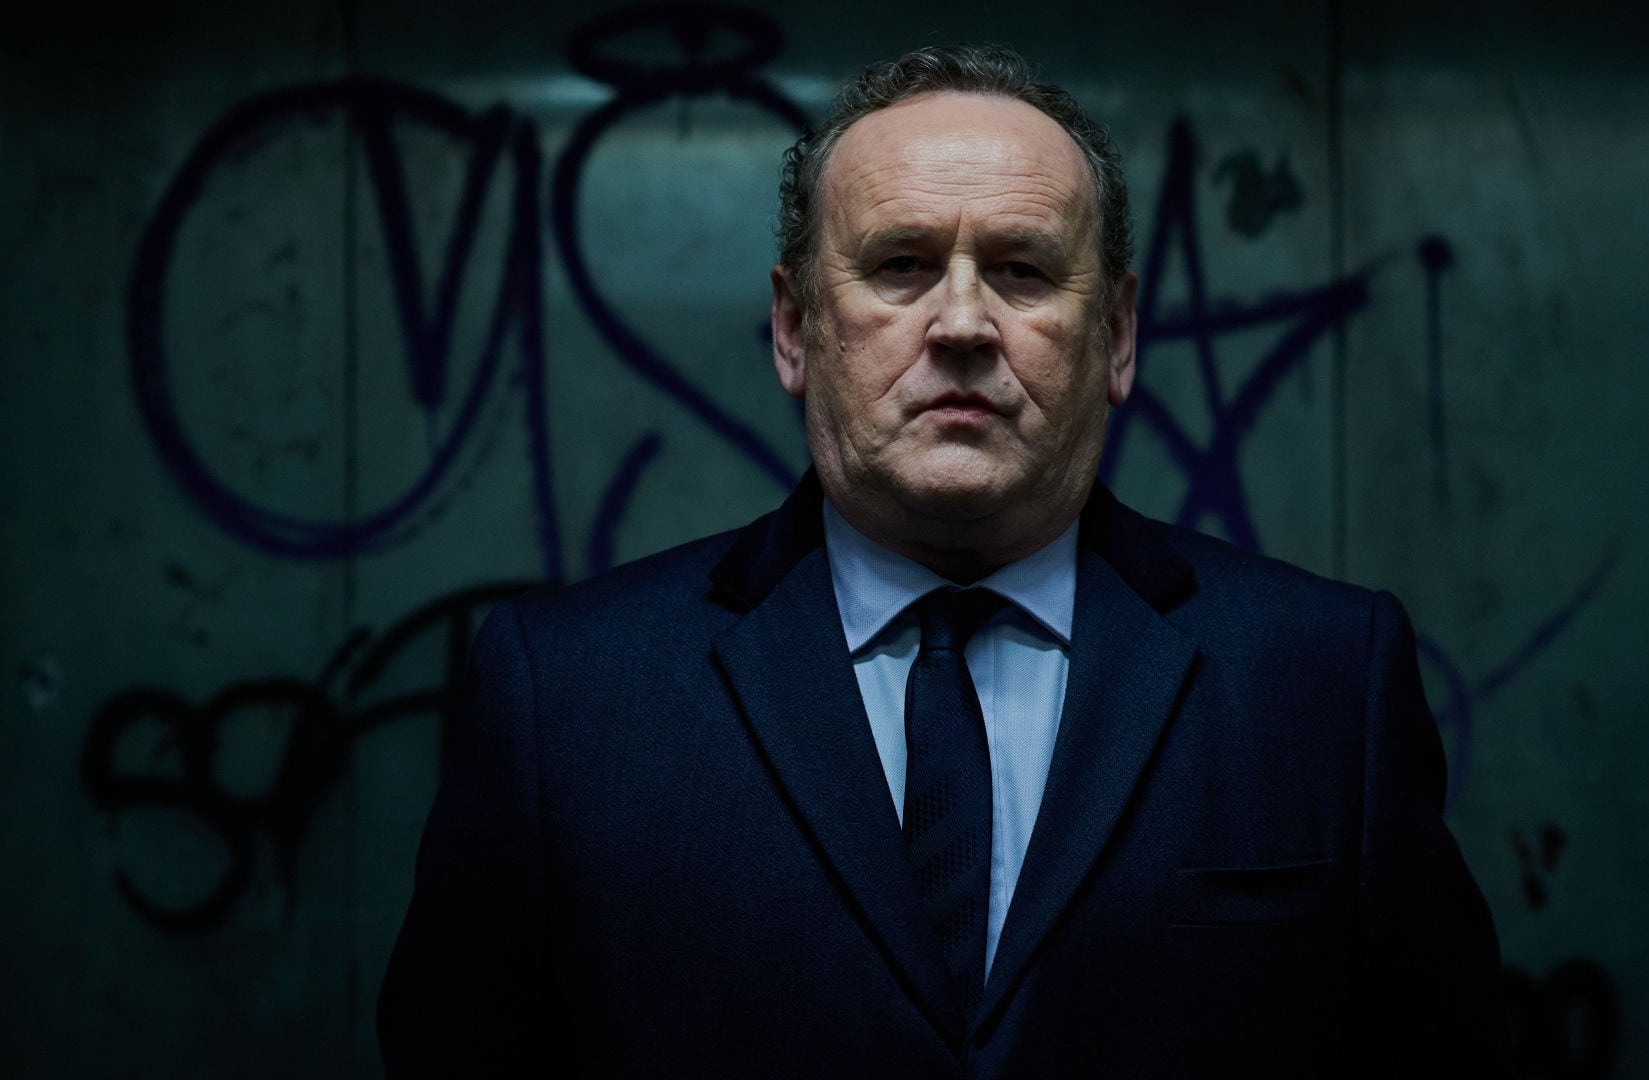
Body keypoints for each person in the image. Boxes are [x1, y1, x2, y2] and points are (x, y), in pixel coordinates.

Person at [379, 44, 1509, 1077]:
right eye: (901, 265)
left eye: (1021, 270)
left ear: (1117, 337)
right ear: (795, 330)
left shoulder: (1322, 681)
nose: (962, 324)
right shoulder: (568, 698)